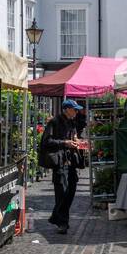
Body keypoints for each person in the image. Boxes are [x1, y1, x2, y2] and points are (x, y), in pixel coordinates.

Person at [40, 99, 84, 234]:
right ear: (66, 109)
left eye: (77, 109)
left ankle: (55, 216)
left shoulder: (72, 122)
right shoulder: (54, 122)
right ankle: (62, 223)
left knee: (71, 190)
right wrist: (65, 143)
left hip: (71, 161)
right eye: (74, 109)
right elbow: (46, 141)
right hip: (59, 162)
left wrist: (77, 141)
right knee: (62, 192)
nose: (77, 111)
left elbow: (74, 136)